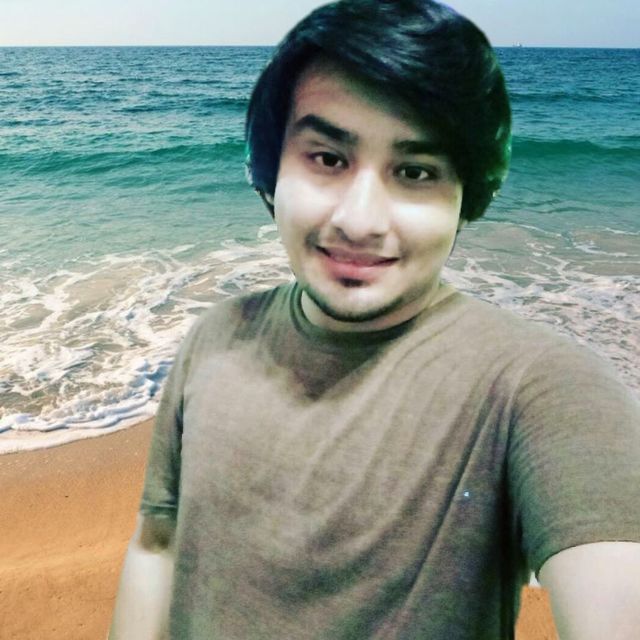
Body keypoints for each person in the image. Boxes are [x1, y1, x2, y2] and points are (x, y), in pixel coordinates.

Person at [110, 1, 640, 638]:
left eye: (415, 172)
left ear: (466, 197)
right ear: (270, 169)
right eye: (327, 158)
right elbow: (158, 545)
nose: (360, 221)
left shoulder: (539, 387)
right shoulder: (215, 337)